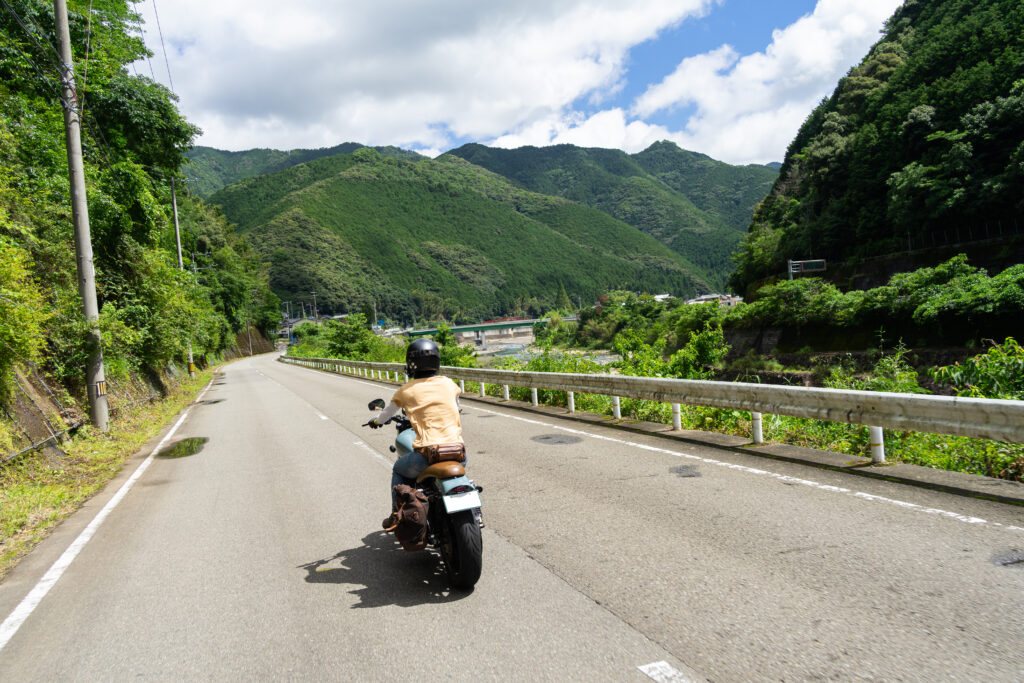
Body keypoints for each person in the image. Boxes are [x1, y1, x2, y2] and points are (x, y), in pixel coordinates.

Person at [369, 338, 465, 523]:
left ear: (411, 364)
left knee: (399, 468)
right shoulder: (449, 383)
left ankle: (396, 514)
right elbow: (457, 406)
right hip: (459, 452)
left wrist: (376, 420)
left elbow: (386, 414)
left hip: (428, 455)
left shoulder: (406, 390)